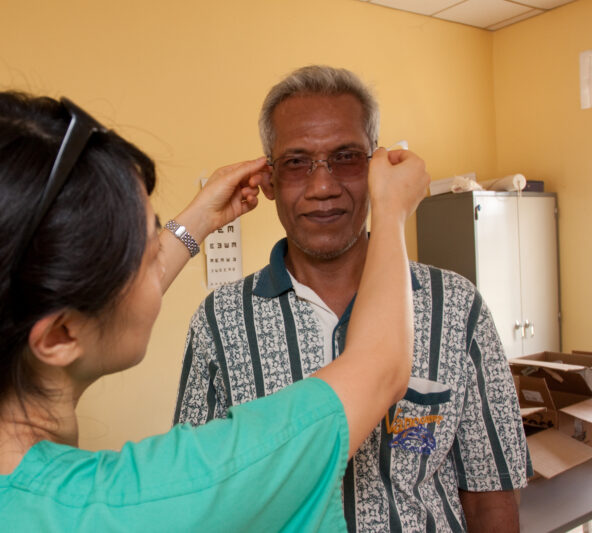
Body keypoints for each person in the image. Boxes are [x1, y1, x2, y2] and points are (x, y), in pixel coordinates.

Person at [0, 90, 428, 532]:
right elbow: (378, 368)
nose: (160, 254)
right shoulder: (142, 502)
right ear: (60, 334)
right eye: (145, 247)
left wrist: (197, 220)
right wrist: (393, 211)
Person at [173, 65, 531, 533]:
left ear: (377, 167)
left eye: (345, 158)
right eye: (297, 162)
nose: (323, 188)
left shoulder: (456, 307)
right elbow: (198, 496)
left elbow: (491, 494)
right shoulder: (221, 322)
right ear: (269, 180)